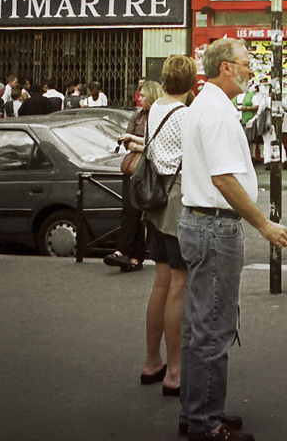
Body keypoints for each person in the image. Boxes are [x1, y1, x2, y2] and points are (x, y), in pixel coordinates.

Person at [179, 38, 287, 441]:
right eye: (246, 63)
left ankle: (197, 412)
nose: (251, 69)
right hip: (214, 227)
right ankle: (205, 424)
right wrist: (264, 225)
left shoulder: (202, 105)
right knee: (213, 326)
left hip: (199, 223)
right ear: (226, 67)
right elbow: (224, 179)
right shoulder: (218, 112)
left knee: (199, 325)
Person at [139, 58, 192, 398]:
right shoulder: (186, 115)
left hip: (155, 199)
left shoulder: (157, 106)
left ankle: (151, 362)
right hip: (176, 201)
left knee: (160, 282)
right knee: (179, 284)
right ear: (190, 84)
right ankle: (175, 371)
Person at [104, 79, 163, 274]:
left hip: (149, 171)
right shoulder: (137, 116)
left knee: (142, 214)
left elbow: (154, 144)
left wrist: (137, 144)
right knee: (130, 211)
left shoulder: (158, 116)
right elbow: (128, 141)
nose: (139, 99)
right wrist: (137, 145)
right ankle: (130, 254)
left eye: (144, 95)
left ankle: (133, 254)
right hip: (132, 170)